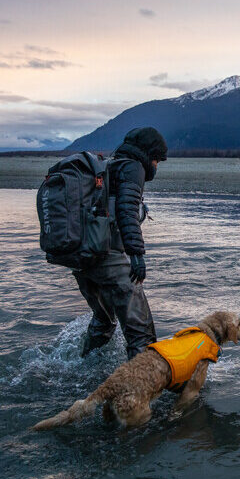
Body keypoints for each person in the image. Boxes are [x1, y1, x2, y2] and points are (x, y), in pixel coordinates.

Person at [73, 127, 168, 360]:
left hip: (83, 260)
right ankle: (142, 387)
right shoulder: (133, 168)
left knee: (104, 321)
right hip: (108, 258)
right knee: (141, 333)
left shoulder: (109, 167)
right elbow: (126, 210)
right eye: (157, 159)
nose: (156, 166)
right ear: (148, 155)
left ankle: (83, 372)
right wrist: (137, 255)